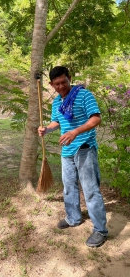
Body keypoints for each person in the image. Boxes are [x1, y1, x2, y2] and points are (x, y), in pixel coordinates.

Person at [38, 66, 108, 247]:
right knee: (69, 187)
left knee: (91, 189)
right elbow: (57, 121)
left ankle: (100, 230)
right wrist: (47, 129)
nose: (61, 86)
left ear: (69, 78)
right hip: (67, 151)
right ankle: (73, 218)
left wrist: (75, 132)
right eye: (57, 84)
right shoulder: (56, 103)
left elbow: (96, 118)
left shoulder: (84, 95)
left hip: (84, 147)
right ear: (51, 84)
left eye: (64, 82)